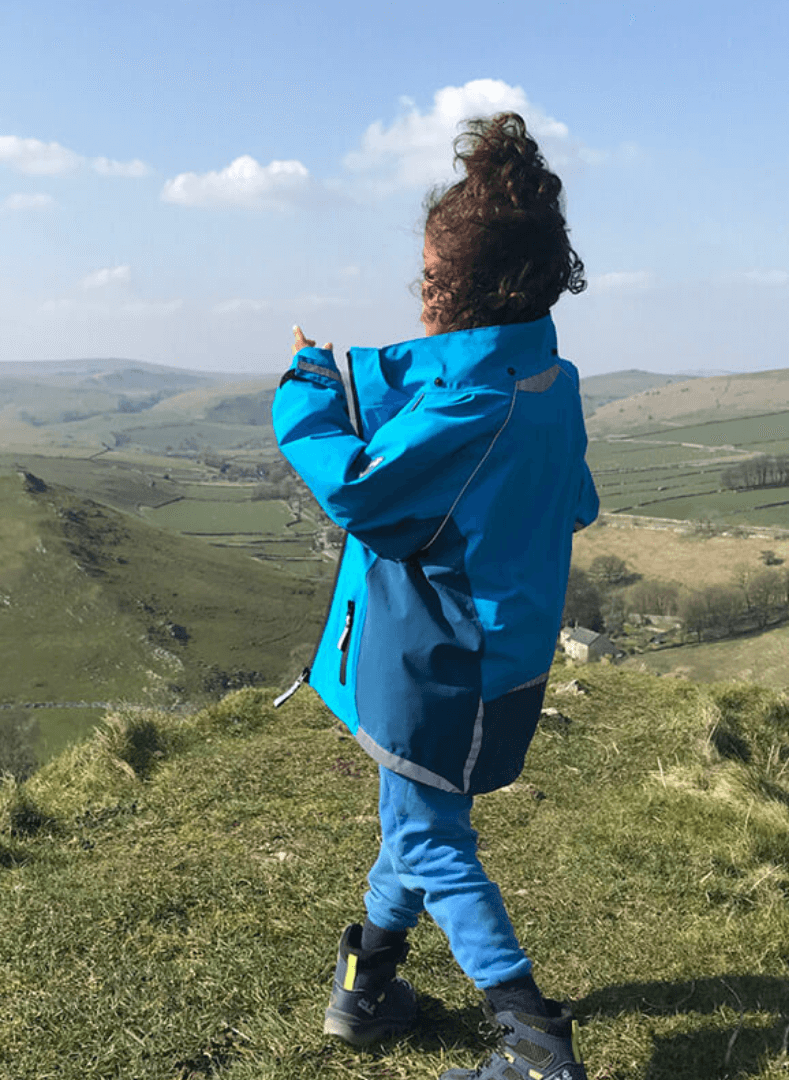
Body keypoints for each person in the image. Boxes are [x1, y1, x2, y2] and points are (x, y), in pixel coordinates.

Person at [271, 112, 599, 1080]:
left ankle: (532, 1041)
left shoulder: (473, 407)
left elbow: (363, 484)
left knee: (430, 838)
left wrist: (304, 383)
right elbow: (572, 496)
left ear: (470, 293)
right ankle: (366, 989)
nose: (418, 303)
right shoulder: (548, 380)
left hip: (437, 671)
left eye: (428, 285)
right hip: (496, 660)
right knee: (409, 822)